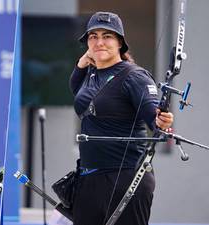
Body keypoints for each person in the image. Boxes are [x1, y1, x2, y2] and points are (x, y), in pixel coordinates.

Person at [69, 12, 174, 225]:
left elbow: (153, 116)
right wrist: (81, 64)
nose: (99, 42)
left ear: (120, 43)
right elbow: (77, 92)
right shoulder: (91, 73)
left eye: (107, 36)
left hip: (125, 179)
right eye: (93, 36)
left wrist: (161, 121)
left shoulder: (134, 76)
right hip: (89, 179)